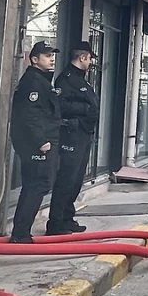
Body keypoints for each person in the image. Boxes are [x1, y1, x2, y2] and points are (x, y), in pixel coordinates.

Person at [9, 41, 62, 243]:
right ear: (34, 59)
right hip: (38, 144)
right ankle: (20, 234)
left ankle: (21, 232)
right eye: (47, 55)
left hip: (42, 141)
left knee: (35, 184)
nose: (52, 59)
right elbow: (29, 116)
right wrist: (42, 142)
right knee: (37, 184)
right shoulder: (33, 82)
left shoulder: (40, 80)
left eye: (52, 55)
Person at [47, 42, 100, 235]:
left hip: (84, 135)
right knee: (66, 179)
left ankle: (67, 218)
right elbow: (61, 104)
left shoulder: (81, 79)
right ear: (82, 57)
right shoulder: (66, 79)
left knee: (76, 179)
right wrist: (86, 110)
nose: (91, 62)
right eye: (90, 58)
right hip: (72, 135)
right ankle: (55, 224)